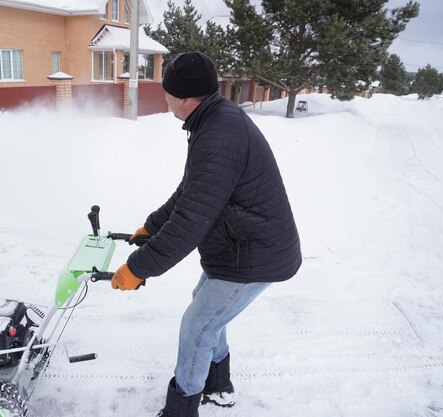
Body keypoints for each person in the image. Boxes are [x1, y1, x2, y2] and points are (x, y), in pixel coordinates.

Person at [110, 51, 302, 417]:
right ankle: (218, 386)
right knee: (208, 311)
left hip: (255, 253)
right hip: (241, 246)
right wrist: (152, 225)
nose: (165, 99)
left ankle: (181, 410)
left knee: (198, 325)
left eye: (168, 93)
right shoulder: (214, 121)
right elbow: (192, 192)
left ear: (184, 98)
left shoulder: (218, 135)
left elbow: (191, 221)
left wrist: (139, 267)